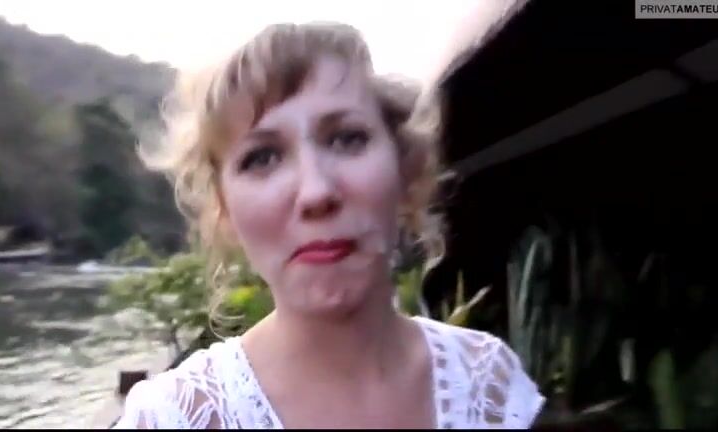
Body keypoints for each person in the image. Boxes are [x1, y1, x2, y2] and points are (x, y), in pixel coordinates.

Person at [113, 21, 545, 429]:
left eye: (347, 138)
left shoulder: (488, 383)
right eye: (262, 157)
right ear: (224, 210)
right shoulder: (174, 417)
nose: (316, 192)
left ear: (404, 169)